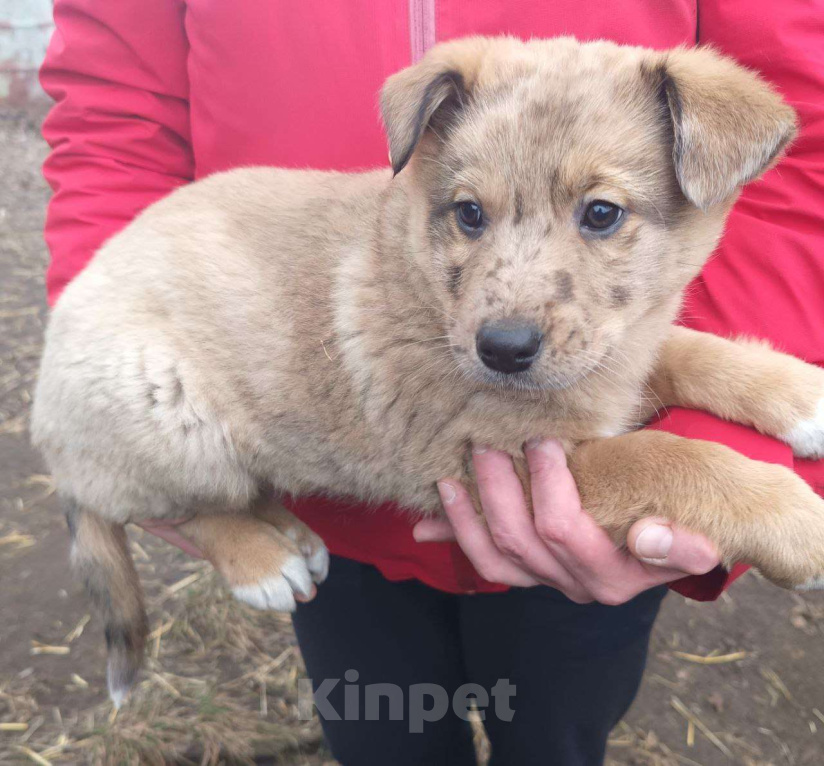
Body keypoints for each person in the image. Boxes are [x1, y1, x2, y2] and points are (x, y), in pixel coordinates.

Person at [39, 2, 824, 764]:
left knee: (557, 728)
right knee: (384, 730)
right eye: (471, 216)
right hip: (317, 506)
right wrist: (739, 495)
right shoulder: (417, 267)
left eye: (600, 215)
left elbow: (803, 163)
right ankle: (220, 518)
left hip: (578, 580)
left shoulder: (684, 131)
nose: (506, 311)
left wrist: (736, 395)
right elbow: (516, 466)